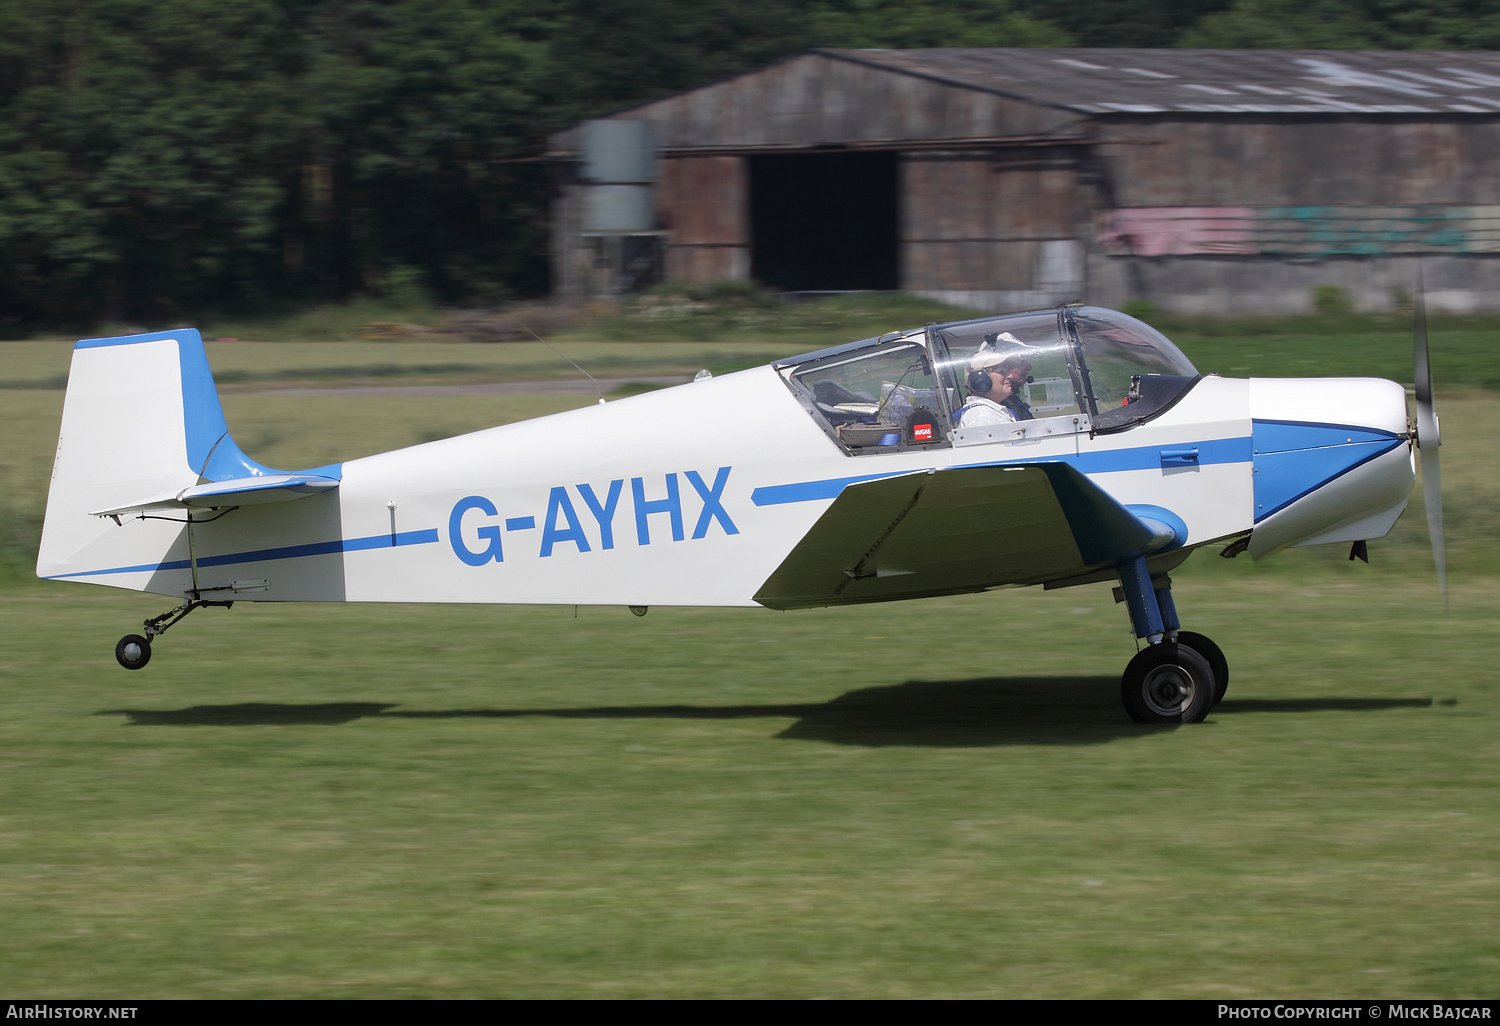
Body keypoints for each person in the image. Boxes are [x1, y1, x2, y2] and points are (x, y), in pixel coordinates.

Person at [959, 350, 1020, 427]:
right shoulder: (984, 417)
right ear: (980, 378)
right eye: (1002, 371)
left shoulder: (989, 412)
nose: (1010, 376)